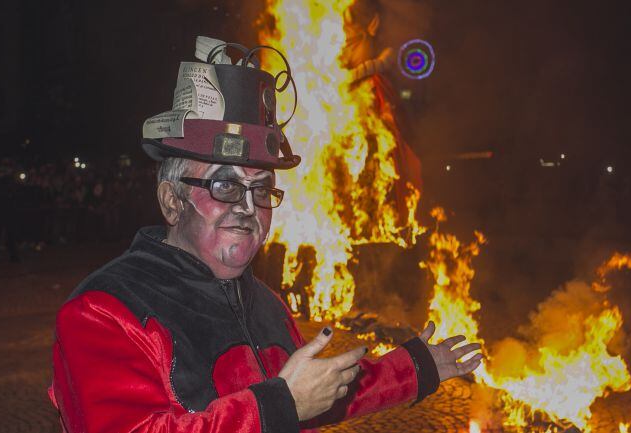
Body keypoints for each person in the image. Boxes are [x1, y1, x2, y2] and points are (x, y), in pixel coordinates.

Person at [49, 37, 483, 433]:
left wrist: (414, 366)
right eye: (225, 185)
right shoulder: (105, 311)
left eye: (261, 189)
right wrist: (279, 406)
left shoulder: (267, 306)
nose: (246, 207)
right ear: (172, 201)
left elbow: (318, 395)